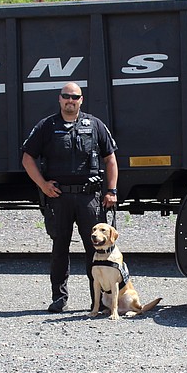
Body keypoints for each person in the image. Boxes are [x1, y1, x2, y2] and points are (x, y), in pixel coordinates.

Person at [21, 82, 119, 313]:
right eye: (66, 96)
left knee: (95, 250)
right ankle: (59, 298)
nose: (70, 100)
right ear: (59, 99)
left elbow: (111, 159)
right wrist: (43, 185)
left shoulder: (94, 125)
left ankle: (99, 301)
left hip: (89, 199)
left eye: (74, 97)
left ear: (81, 100)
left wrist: (111, 191)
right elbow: (27, 158)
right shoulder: (47, 126)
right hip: (59, 197)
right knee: (59, 249)